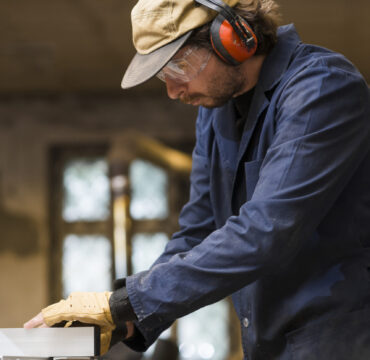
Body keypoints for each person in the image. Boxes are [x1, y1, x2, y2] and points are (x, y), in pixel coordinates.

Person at [25, 0, 370, 359]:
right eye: (163, 74)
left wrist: (124, 302)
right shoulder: (215, 113)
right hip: (269, 343)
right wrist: (127, 321)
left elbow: (267, 230)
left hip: (340, 340)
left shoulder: (322, 88)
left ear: (234, 38)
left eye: (178, 64)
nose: (173, 90)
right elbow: (197, 232)